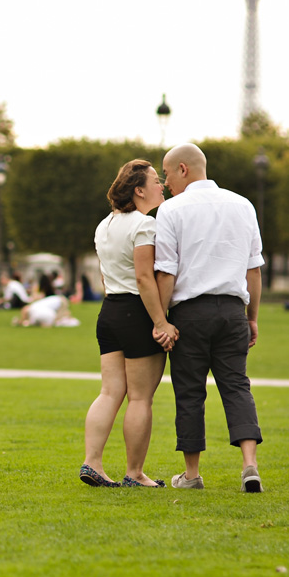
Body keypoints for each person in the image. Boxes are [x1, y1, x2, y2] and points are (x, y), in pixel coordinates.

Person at [154, 143, 264, 493]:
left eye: (167, 174)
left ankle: (191, 474)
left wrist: (161, 319)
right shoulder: (243, 205)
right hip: (233, 311)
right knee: (237, 387)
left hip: (190, 314)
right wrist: (252, 317)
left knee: (189, 392)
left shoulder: (171, 210)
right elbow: (254, 270)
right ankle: (250, 465)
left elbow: (167, 273)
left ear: (183, 169)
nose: (166, 182)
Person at [81, 159, 177, 488]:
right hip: (136, 312)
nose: (161, 184)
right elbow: (144, 278)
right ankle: (134, 473)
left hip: (109, 312)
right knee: (139, 398)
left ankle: (92, 463)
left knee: (109, 392)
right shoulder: (144, 225)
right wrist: (160, 322)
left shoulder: (104, 225)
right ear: (138, 190)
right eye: (154, 180)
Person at [13, 293, 79, 327]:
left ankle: (71, 321)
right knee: (59, 318)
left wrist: (21, 321)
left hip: (61, 302)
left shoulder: (33, 308)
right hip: (59, 300)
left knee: (58, 320)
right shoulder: (35, 306)